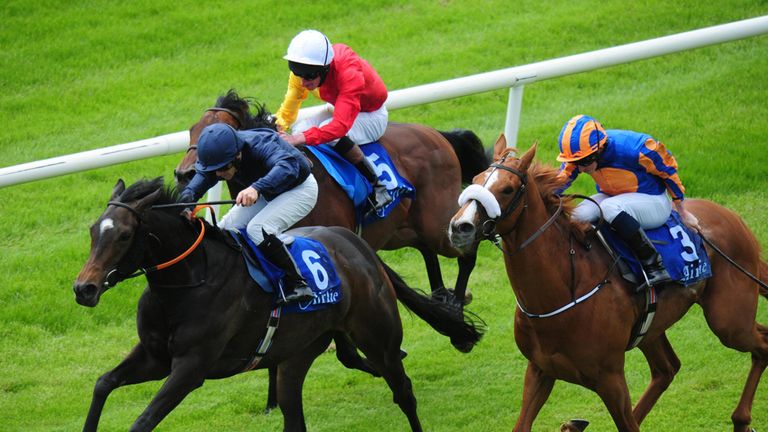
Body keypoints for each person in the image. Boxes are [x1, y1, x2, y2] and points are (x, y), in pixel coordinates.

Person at [180, 123, 318, 305]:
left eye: (223, 168)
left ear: (237, 155)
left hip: (299, 189)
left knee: (258, 229)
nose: (219, 175)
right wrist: (185, 205)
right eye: (215, 170)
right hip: (268, 189)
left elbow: (288, 166)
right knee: (226, 228)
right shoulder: (222, 157)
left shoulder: (260, 145)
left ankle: (298, 284)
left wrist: (256, 188)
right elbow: (196, 185)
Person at [555, 114, 700, 287]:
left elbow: (668, 172)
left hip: (653, 201)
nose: (580, 168)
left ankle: (654, 265)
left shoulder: (637, 148)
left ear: (599, 149)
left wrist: (683, 211)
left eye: (583, 162)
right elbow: (560, 182)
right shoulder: (583, 155)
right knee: (576, 216)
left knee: (609, 208)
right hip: (613, 197)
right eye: (574, 162)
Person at [274, 29, 393, 211]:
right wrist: (279, 124)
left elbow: (339, 127)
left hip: (372, 115)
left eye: (309, 76)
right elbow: (293, 99)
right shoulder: (305, 69)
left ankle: (377, 186)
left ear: (325, 68)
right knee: (300, 127)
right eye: (298, 74)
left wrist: (300, 139)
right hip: (341, 106)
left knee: (323, 132)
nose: (303, 81)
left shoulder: (349, 73)